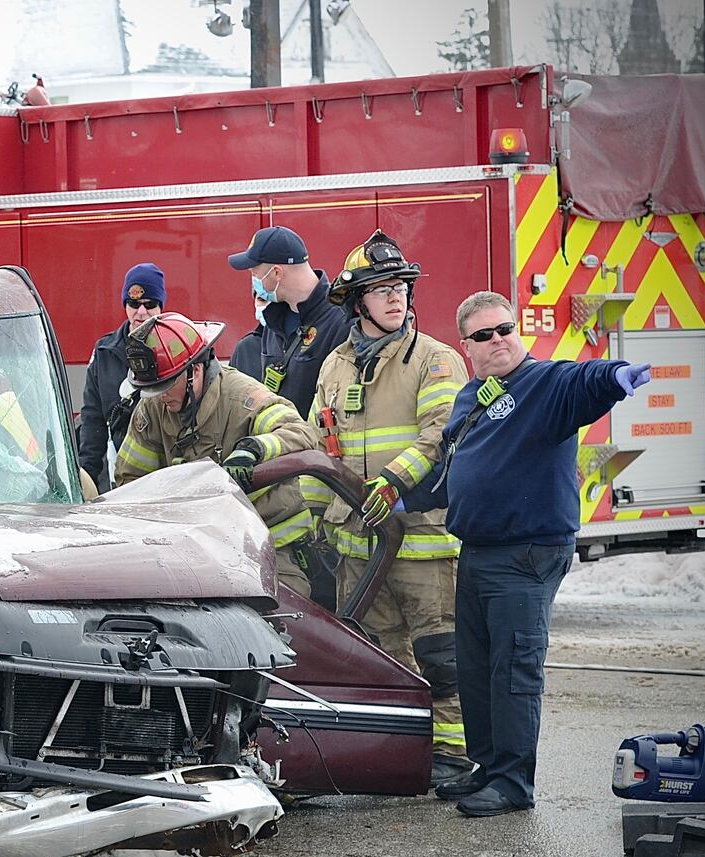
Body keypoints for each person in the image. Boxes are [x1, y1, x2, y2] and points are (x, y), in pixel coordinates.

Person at [402, 291, 652, 816]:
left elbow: (580, 380)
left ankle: (514, 783)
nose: (499, 341)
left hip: (526, 553)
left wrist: (614, 377)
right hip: (477, 551)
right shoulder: (474, 397)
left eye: (505, 329)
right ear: (466, 345)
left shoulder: (543, 385)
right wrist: (400, 496)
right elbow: (452, 473)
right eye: (484, 335)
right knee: (477, 669)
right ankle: (488, 768)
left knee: (514, 670)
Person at [310, 230, 473, 787]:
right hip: (357, 547)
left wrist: (390, 484)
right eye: (380, 288)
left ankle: (451, 754)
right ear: (358, 303)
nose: (395, 296)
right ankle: (401, 754)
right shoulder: (334, 365)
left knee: (440, 652)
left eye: (400, 285)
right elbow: (316, 446)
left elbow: (440, 434)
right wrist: (315, 524)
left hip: (421, 540)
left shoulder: (435, 360)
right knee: (381, 658)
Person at [114, 312, 321, 597]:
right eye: (151, 389)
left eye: (165, 385)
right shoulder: (153, 407)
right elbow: (131, 482)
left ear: (195, 370)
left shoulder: (242, 398)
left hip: (269, 546)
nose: (158, 396)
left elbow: (301, 432)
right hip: (195, 550)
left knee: (285, 623)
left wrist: (253, 450)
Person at [227, 225, 349, 418]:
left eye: (254, 273)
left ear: (276, 273)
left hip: (317, 446)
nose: (254, 281)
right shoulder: (273, 322)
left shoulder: (342, 321)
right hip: (278, 443)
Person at [77, 262, 166, 491]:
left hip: (167, 471)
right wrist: (86, 478)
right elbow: (92, 420)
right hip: (121, 476)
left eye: (150, 304)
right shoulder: (104, 352)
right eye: (134, 304)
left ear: (161, 306)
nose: (141, 312)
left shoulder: (175, 347)